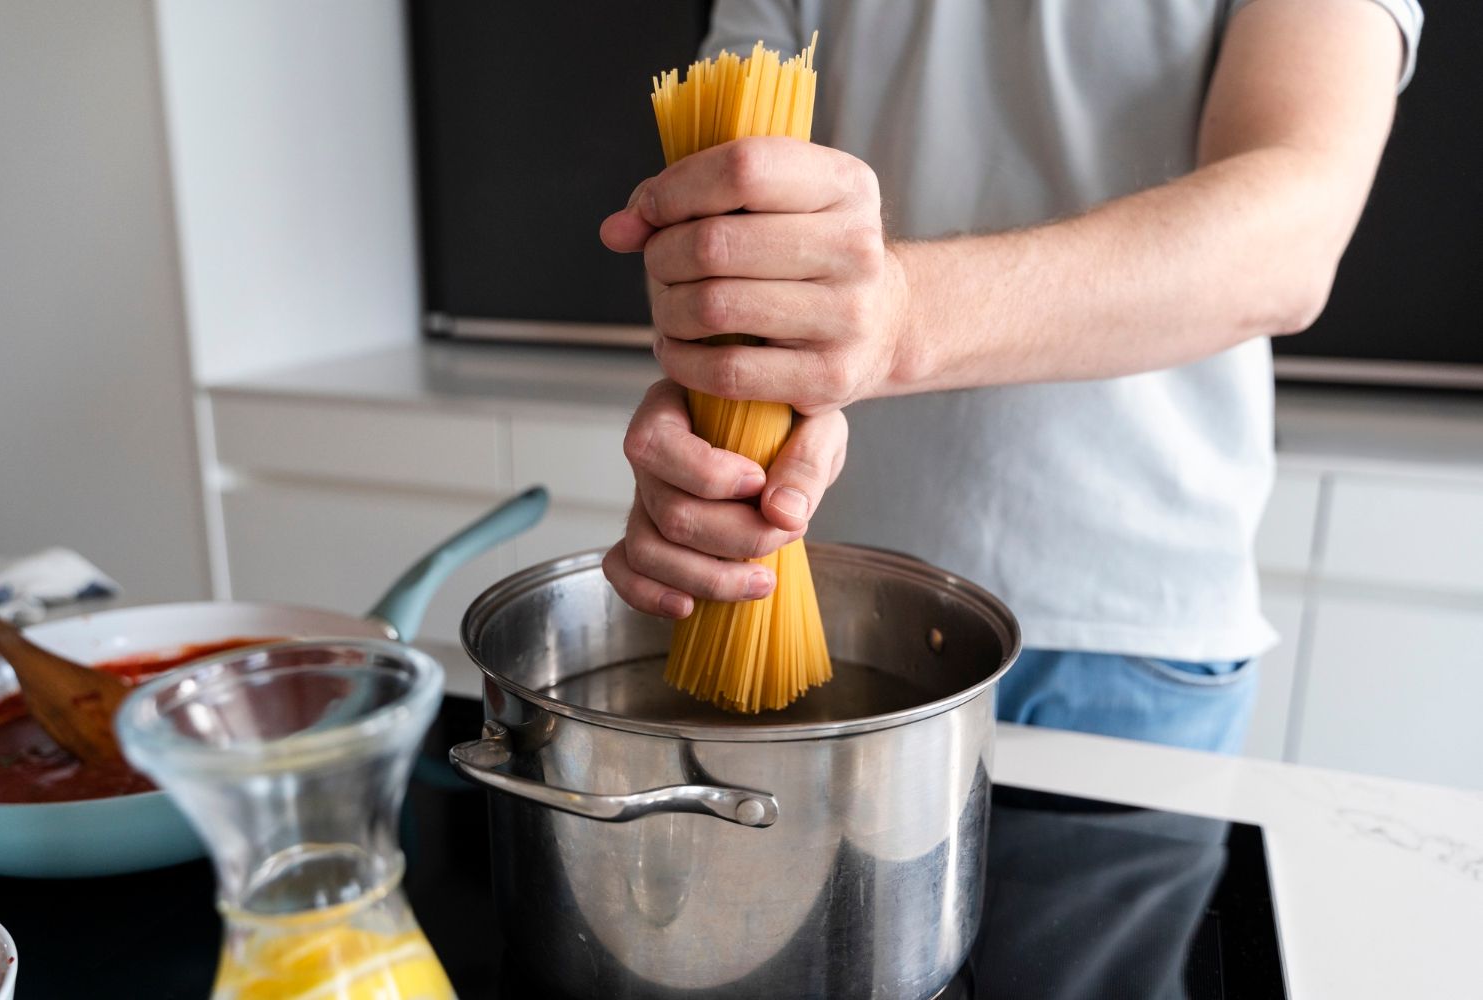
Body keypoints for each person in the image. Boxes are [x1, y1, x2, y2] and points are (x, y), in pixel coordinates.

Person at [597, 0, 1423, 753]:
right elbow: (724, 231)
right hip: (831, 598)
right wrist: (714, 414)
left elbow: (1290, 238)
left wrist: (900, 321)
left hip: (1130, 636)